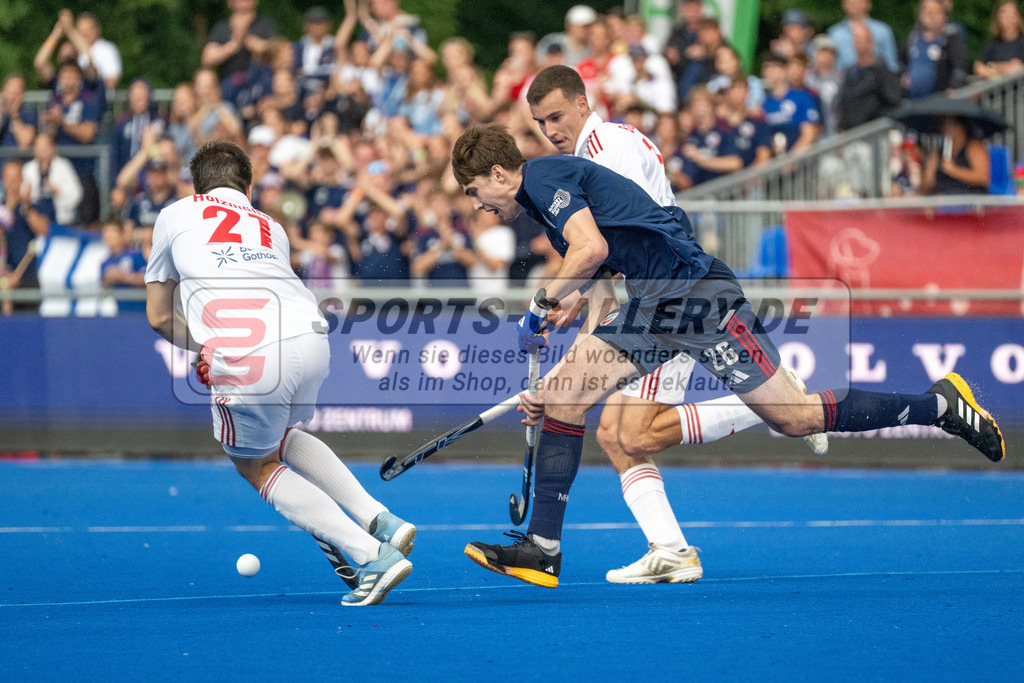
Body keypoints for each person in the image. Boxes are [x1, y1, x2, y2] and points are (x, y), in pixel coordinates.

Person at [451, 122, 1004, 588]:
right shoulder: (542, 199)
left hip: (698, 298)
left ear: (499, 174)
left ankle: (939, 405)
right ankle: (543, 549)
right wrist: (567, 328)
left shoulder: (544, 178)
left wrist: (541, 301)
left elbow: (591, 248)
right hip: (652, 305)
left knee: (795, 418)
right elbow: (605, 261)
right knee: (563, 396)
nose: (478, 205)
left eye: (475, 192)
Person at [522, 66, 824, 584]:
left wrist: (581, 303)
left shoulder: (607, 151)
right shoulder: (593, 151)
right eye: (539, 123)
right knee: (614, 435)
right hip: (649, 297)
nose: (550, 131)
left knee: (635, 433)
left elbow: (637, 233)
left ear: (581, 103)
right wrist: (581, 296)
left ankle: (768, 404)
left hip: (670, 299)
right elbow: (614, 252)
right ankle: (670, 549)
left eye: (556, 116)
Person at [145, 141, 414, 606]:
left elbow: (159, 316)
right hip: (311, 335)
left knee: (255, 463)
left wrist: (202, 345)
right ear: (248, 189)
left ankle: (372, 555)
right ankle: (378, 518)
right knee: (283, 434)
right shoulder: (271, 226)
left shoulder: (174, 215)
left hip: (249, 351)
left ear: (197, 189)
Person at [836, 23, 903, 132]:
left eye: (861, 39)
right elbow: (845, 101)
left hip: (874, 132)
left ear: (870, 42)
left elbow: (893, 100)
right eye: (855, 39)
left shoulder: (882, 71)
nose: (857, 42)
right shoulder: (850, 72)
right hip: (851, 132)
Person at [901, 0, 969, 99]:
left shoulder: (950, 39)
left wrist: (953, 87)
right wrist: (901, 75)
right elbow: (899, 60)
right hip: (911, 101)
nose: (930, 15)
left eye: (935, 12)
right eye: (926, 11)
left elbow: (960, 68)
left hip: (937, 102)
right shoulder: (913, 37)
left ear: (944, 16)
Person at [202, 0, 278, 82]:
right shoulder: (222, 28)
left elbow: (276, 51)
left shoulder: (266, 26)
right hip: (229, 83)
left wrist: (247, 40)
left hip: (259, 82)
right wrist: (233, 45)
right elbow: (207, 59)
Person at [919, 116, 990, 195]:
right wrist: (928, 175)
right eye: (943, 124)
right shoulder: (937, 153)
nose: (947, 128)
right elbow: (925, 187)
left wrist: (954, 170)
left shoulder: (974, 147)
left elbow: (984, 178)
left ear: (962, 126)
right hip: (942, 196)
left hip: (968, 196)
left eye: (952, 124)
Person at [827, 0, 899, 72]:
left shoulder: (883, 31)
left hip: (877, 77)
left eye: (858, 2)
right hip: (843, 77)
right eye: (850, 2)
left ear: (868, 4)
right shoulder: (834, 33)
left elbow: (891, 63)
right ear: (843, 5)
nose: (854, 4)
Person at [975, 1, 1024, 80]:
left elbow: (1017, 67)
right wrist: (1004, 68)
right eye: (1004, 14)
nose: (1008, 19)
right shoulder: (993, 42)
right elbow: (980, 68)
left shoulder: (1021, 42)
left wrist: (993, 67)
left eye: (1011, 15)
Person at [0, 74, 38, 150]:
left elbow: (25, 143)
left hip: (19, 156)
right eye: (10, 93)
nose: (12, 98)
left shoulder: (29, 111)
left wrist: (14, 115)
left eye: (17, 93)